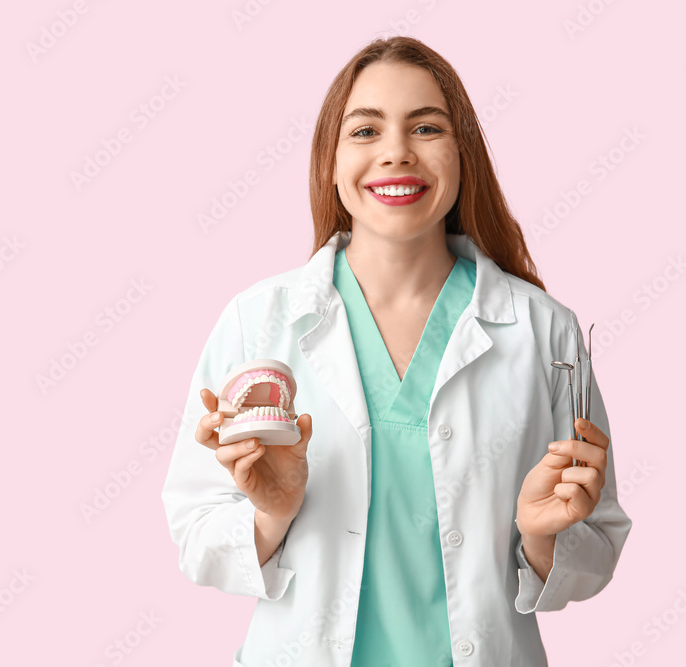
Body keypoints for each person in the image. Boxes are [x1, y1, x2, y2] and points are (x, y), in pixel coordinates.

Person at [160, 36, 632, 667]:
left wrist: (541, 537)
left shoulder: (544, 332)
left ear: (463, 155)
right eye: (364, 131)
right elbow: (195, 529)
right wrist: (271, 516)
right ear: (330, 161)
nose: (395, 153)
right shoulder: (257, 322)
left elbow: (597, 540)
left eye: (426, 127)